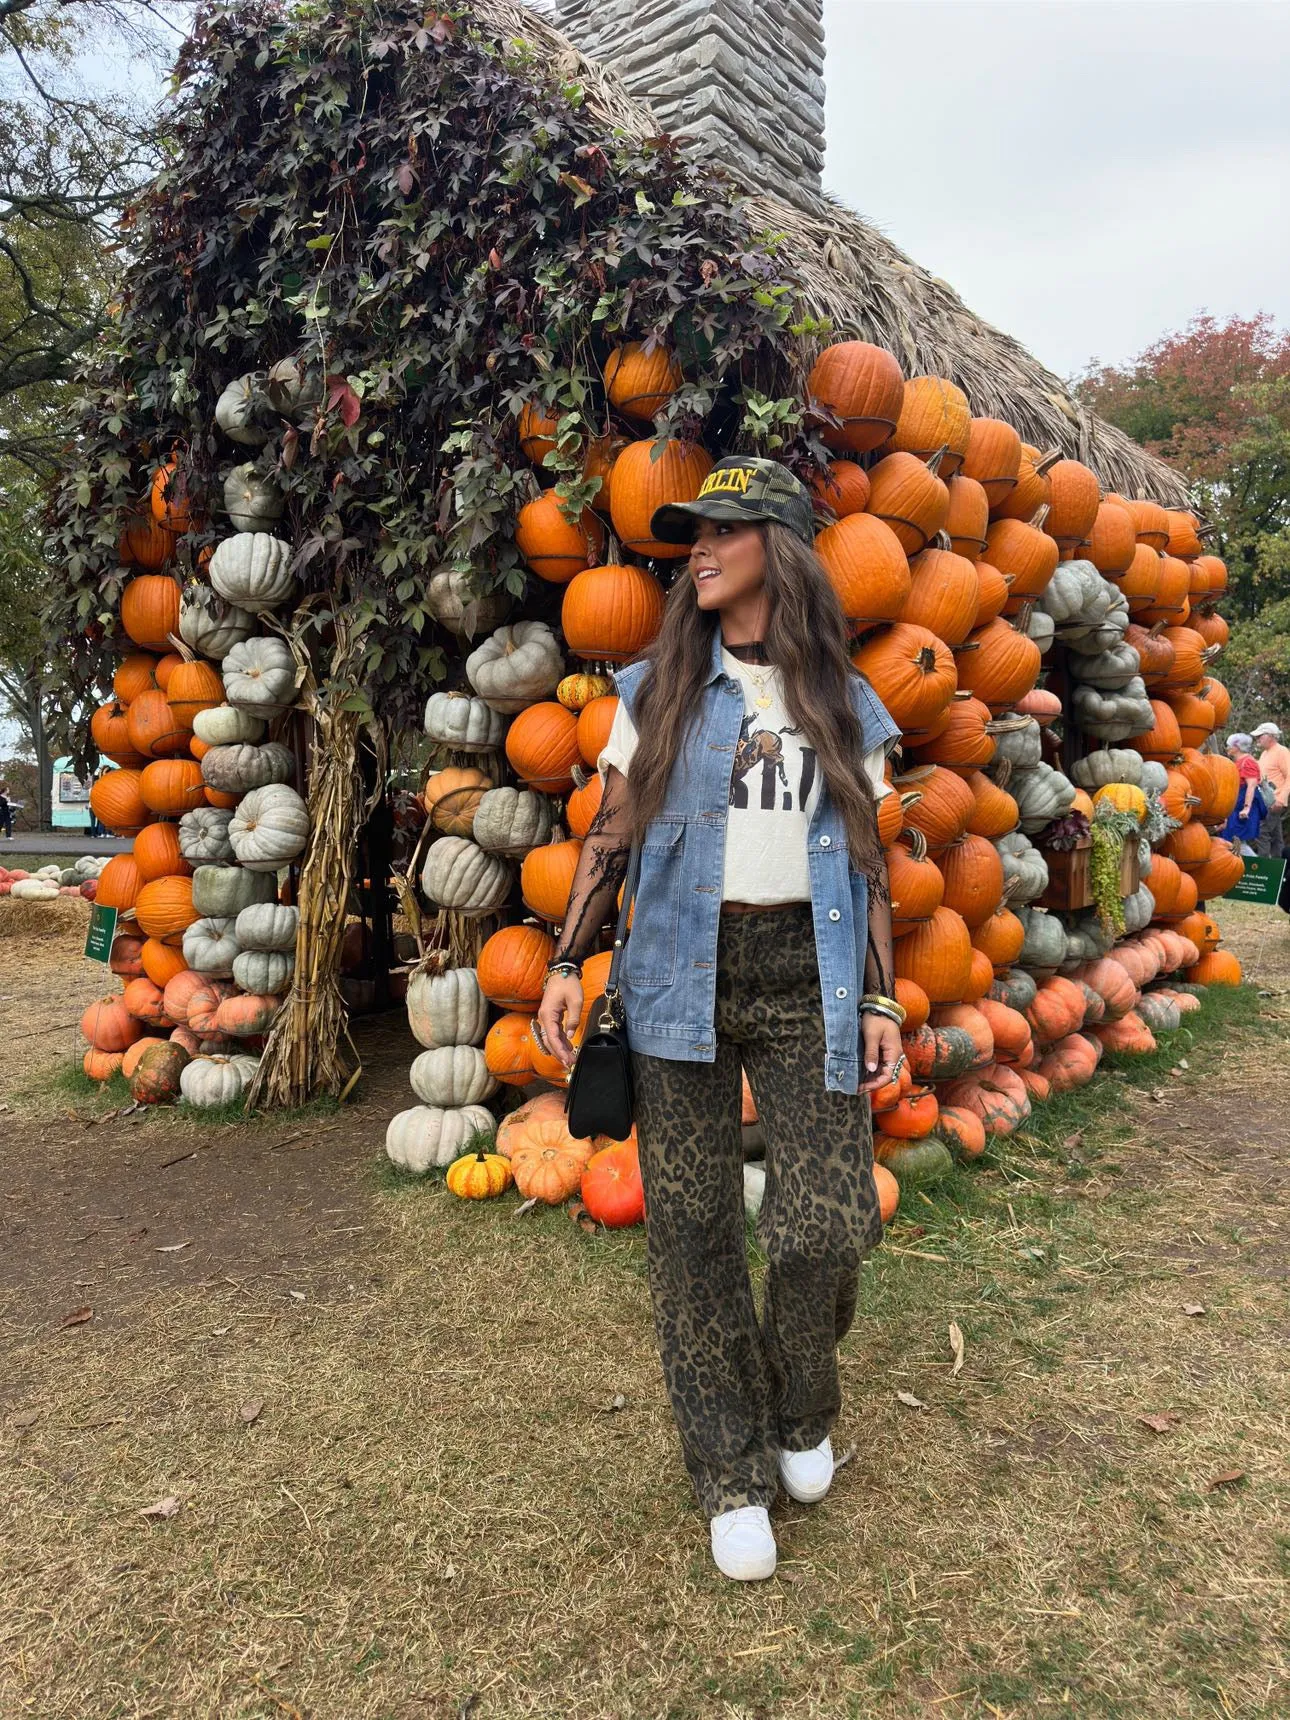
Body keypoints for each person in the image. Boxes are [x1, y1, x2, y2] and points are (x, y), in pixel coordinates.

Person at [534, 456, 902, 1583]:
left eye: (721, 531)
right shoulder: (655, 692)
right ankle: (728, 1472)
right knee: (691, 1234)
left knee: (821, 1228)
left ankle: (802, 1404)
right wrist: (567, 958)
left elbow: (873, 863)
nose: (695, 549)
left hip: (812, 973)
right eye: (689, 534)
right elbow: (610, 834)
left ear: (777, 549)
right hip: (676, 973)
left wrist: (883, 993)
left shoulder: (846, 699)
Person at [1251, 722, 1290, 859]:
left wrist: (1280, 800)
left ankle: (1264, 870)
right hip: (1265, 802)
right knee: (1276, 837)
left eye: (1260, 736)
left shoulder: (1282, 751)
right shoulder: (1264, 754)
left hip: (1274, 801)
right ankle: (1280, 872)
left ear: (1271, 736)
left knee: (1262, 832)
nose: (1258, 739)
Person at [1222, 733, 1265, 854]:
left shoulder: (1247, 762)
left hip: (1243, 807)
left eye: (1229, 746)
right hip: (1236, 806)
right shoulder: (1239, 762)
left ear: (1237, 747)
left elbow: (1251, 786)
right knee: (1233, 839)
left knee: (1235, 840)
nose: (1227, 748)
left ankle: (1258, 869)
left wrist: (1246, 808)